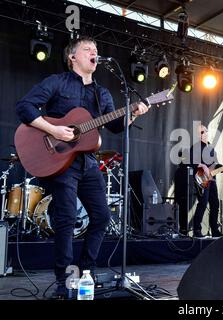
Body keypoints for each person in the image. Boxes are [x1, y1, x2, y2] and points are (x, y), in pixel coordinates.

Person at [15, 36, 148, 299]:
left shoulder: (102, 93)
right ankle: (63, 281)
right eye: (88, 49)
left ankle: (86, 271)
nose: (94, 52)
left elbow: (114, 125)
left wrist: (133, 113)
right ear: (72, 57)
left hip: (87, 162)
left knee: (102, 217)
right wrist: (54, 130)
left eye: (96, 50)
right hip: (59, 160)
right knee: (66, 220)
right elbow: (24, 107)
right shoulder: (57, 82)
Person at [188, 124, 223, 238]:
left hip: (212, 179)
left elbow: (215, 165)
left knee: (215, 204)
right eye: (200, 133)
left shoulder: (211, 148)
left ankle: (214, 230)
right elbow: (190, 161)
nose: (203, 134)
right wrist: (202, 165)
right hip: (202, 179)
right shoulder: (195, 147)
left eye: (204, 132)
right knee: (203, 203)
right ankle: (197, 230)